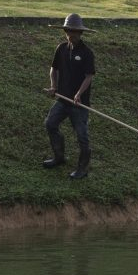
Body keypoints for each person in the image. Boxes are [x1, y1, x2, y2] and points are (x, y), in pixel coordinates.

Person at [43, 13, 96, 180]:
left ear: (80, 33)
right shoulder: (61, 49)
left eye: (74, 31)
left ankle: (83, 169)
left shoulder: (87, 53)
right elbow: (54, 69)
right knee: (50, 124)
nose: (70, 34)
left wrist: (79, 94)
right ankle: (59, 157)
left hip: (79, 104)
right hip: (62, 99)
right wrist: (53, 86)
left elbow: (89, 76)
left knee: (82, 136)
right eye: (68, 31)